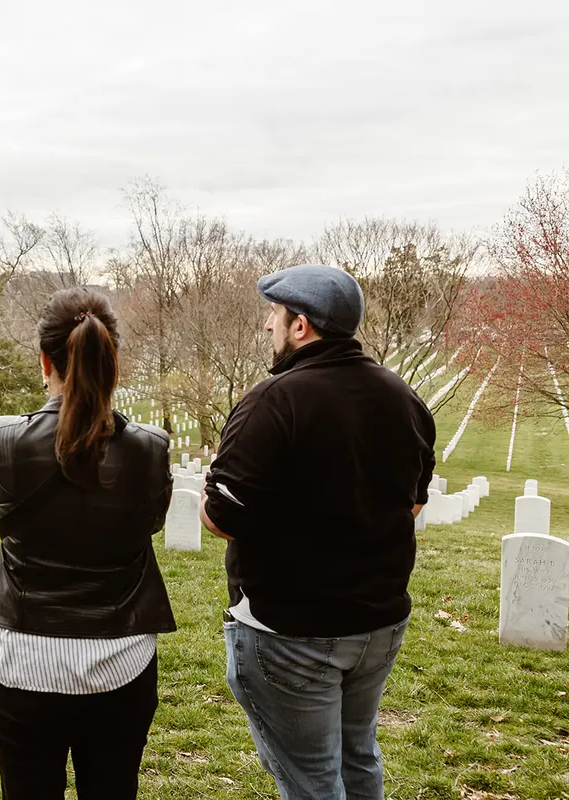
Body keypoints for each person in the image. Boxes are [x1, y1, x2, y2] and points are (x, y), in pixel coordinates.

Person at [202, 264, 436, 800]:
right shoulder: (403, 397)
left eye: (274, 315)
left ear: (300, 326)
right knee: (358, 759)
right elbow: (414, 503)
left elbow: (222, 518)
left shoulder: (272, 401)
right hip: (379, 624)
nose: (267, 325)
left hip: (291, 632)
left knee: (312, 782)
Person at [0, 287, 177, 800]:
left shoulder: (3, 438)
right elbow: (152, 522)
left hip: (24, 652)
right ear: (112, 360)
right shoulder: (150, 449)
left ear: (44, 360)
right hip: (119, 653)